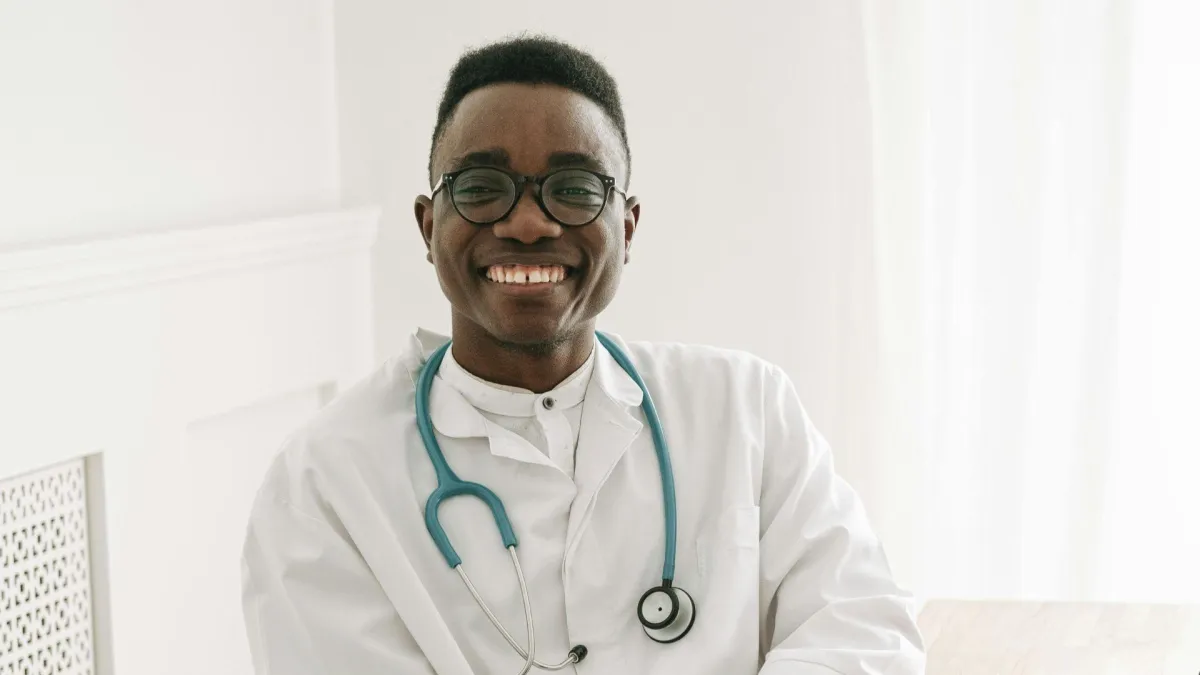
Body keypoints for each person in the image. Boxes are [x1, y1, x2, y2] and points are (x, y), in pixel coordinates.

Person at [240, 35, 925, 675]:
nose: (528, 223)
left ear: (627, 228)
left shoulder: (745, 408)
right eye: (481, 187)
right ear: (428, 226)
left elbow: (864, 631)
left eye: (573, 188)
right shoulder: (325, 480)